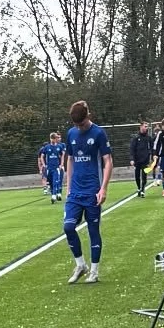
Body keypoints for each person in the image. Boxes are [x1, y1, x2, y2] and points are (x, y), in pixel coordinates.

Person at [62, 99, 111, 285]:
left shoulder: (98, 133)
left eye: (81, 124)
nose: (79, 127)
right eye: (76, 124)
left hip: (92, 191)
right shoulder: (71, 133)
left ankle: (94, 271)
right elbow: (70, 159)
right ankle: (81, 265)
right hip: (75, 192)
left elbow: (108, 161)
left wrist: (103, 188)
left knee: (93, 230)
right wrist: (68, 186)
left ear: (88, 116)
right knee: (68, 227)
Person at [130, 122, 153, 198]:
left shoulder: (149, 138)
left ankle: (143, 190)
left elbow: (152, 148)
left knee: (144, 175)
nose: (146, 128)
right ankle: (139, 188)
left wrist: (152, 157)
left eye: (147, 126)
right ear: (141, 127)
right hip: (137, 160)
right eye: (145, 126)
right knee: (137, 176)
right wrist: (132, 159)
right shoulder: (136, 138)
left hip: (145, 160)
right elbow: (132, 149)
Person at [40, 132, 65, 201]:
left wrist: (61, 164)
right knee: (50, 182)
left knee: (55, 181)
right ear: (51, 139)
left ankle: (54, 195)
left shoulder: (59, 147)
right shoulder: (47, 147)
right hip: (49, 168)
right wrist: (44, 164)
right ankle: (54, 193)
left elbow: (62, 155)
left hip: (56, 168)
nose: (54, 139)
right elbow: (42, 156)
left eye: (55, 138)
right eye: (53, 138)